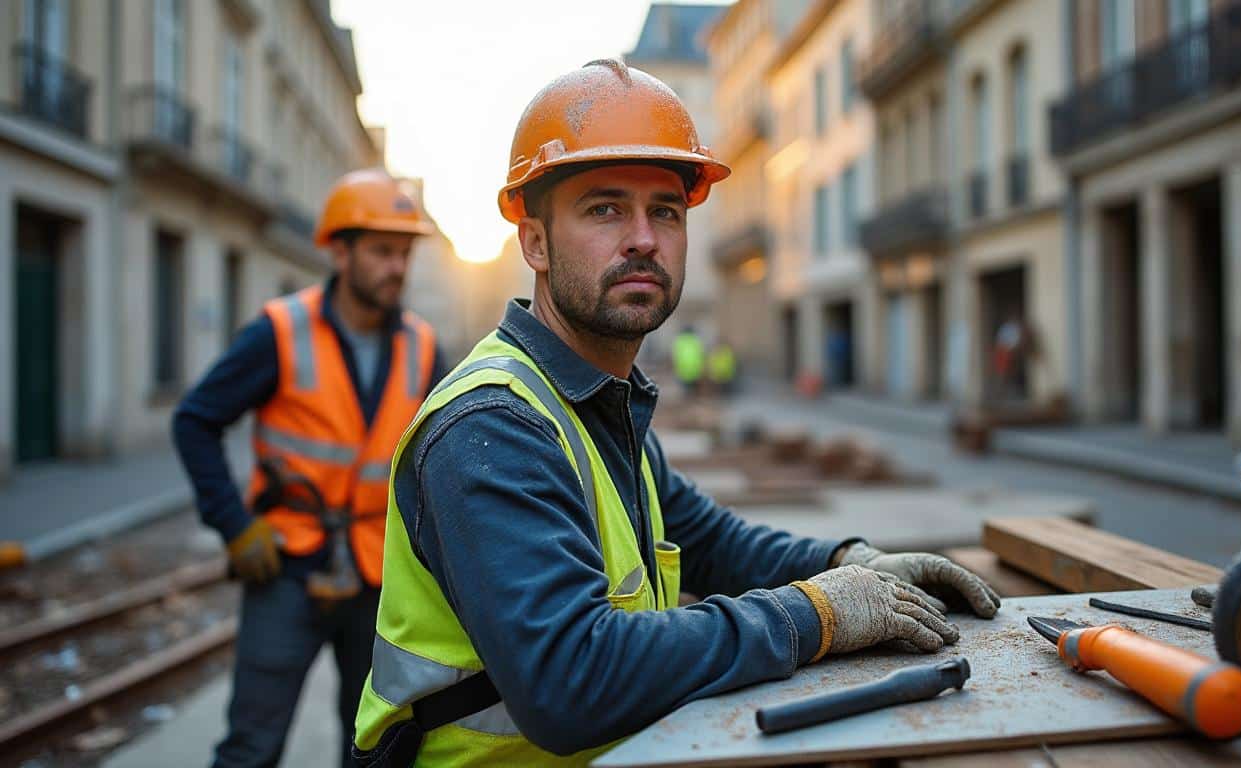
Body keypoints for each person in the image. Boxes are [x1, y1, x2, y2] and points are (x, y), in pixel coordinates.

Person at [352, 60, 998, 767]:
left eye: (665, 210)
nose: (643, 238)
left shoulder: (594, 402)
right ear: (534, 243)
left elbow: (710, 540)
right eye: (604, 208)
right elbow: (571, 682)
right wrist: (814, 614)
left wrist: (854, 562)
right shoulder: (493, 428)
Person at [173, 170, 449, 768]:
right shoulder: (280, 331)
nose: (396, 267)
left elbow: (446, 457)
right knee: (252, 746)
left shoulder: (423, 347)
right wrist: (233, 525)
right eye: (381, 251)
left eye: (403, 253)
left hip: (378, 580)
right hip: (286, 567)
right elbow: (194, 421)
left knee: (373, 746)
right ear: (340, 251)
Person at [671, 325, 705, 396]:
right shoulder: (696, 340)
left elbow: (675, 356)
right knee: (693, 391)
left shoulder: (679, 340)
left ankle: (687, 400)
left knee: (685, 392)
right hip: (694, 371)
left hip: (682, 371)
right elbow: (701, 355)